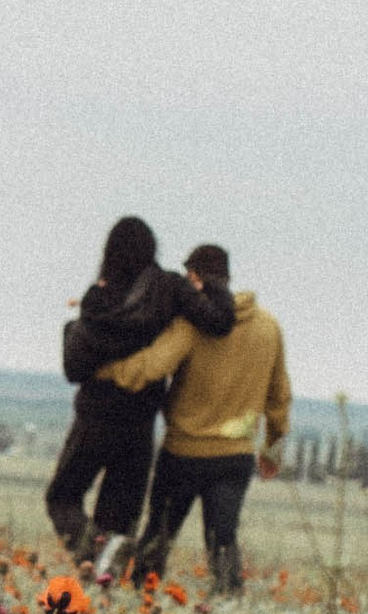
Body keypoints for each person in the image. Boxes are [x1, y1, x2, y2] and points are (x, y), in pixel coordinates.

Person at [46, 220, 234, 571]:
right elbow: (220, 321)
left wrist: (77, 328)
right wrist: (210, 284)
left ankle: (89, 555)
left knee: (63, 496)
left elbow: (75, 367)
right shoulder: (171, 289)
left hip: (96, 414)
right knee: (119, 513)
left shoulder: (98, 299)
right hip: (139, 418)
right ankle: (106, 571)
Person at [104, 241, 289, 588]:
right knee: (223, 542)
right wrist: (272, 447)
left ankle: (140, 605)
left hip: (183, 454)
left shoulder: (193, 324)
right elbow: (279, 396)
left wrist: (104, 370)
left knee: (157, 540)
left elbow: (151, 368)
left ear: (194, 278)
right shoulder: (268, 327)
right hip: (236, 458)